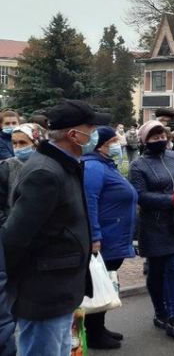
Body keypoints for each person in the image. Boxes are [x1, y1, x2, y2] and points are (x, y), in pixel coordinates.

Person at [1, 102, 106, 354]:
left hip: (59, 289)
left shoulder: (64, 165)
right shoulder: (45, 173)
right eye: (90, 129)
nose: (95, 135)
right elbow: (14, 238)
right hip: (44, 293)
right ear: (73, 135)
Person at [130, 120, 174, 339]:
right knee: (156, 272)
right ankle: (159, 312)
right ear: (144, 140)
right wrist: (171, 199)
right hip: (154, 226)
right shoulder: (138, 165)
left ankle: (173, 316)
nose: (160, 139)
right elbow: (140, 195)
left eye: (162, 135)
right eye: (154, 136)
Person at [82, 126, 138, 349]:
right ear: (101, 144)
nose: (118, 144)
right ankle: (93, 332)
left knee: (105, 281)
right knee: (97, 283)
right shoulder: (93, 167)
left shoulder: (105, 164)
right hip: (104, 237)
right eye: (114, 140)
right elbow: (90, 201)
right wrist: (95, 235)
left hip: (113, 235)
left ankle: (99, 326)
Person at [0, 124, 39, 225]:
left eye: (22, 143)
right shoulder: (7, 166)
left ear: (35, 143)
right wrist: (6, 226)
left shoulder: (47, 165)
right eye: (14, 143)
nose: (17, 148)